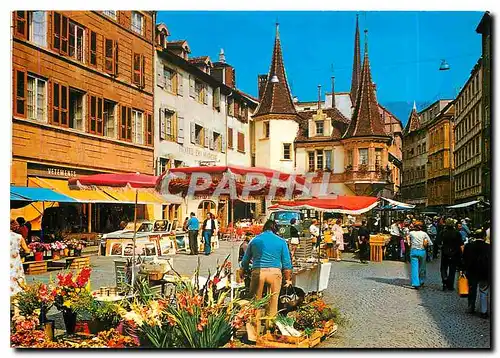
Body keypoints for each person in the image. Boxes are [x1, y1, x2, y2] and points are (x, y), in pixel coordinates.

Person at [240, 220, 292, 341]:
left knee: (255, 303)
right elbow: (287, 263)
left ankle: (254, 335)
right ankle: (270, 331)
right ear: (275, 229)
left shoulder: (255, 240)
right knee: (273, 302)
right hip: (274, 273)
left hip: (258, 271)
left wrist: (242, 271)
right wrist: (288, 279)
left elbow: (246, 260)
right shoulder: (281, 241)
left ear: (264, 228)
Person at [463, 229, 490, 318]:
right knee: (484, 291)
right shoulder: (489, 247)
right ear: (484, 237)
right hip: (484, 272)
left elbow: (464, 259)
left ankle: (471, 307)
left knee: (472, 289)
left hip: (472, 271)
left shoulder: (468, 246)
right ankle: (484, 311)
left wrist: (463, 269)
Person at [440, 218, 464, 291]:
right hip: (454, 253)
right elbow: (461, 245)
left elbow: (438, 242)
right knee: (452, 270)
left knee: (443, 268)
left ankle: (444, 281)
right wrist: (462, 254)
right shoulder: (457, 233)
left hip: (445, 253)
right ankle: (450, 286)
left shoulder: (443, 232)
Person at [407, 222, 432, 289]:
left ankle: (415, 283)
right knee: (422, 267)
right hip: (422, 251)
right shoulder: (424, 233)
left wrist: (409, 242)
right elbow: (430, 243)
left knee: (414, 268)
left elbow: (407, 237)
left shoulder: (411, 233)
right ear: (421, 227)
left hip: (413, 251)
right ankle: (421, 281)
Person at [11, 220, 30, 298]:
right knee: (17, 286)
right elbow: (27, 250)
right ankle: (16, 309)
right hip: (15, 264)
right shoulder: (19, 237)